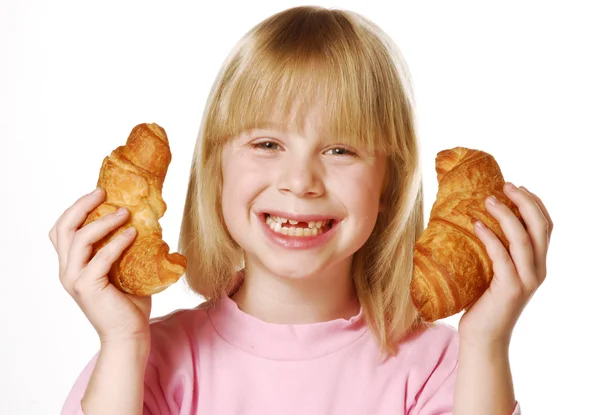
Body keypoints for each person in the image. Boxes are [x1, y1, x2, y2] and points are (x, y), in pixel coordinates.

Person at [52, 6, 553, 414]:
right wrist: (121, 340)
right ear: (216, 170)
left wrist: (488, 341)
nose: (300, 182)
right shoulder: (146, 362)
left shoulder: (445, 368)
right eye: (268, 143)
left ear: (388, 186)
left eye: (341, 150)